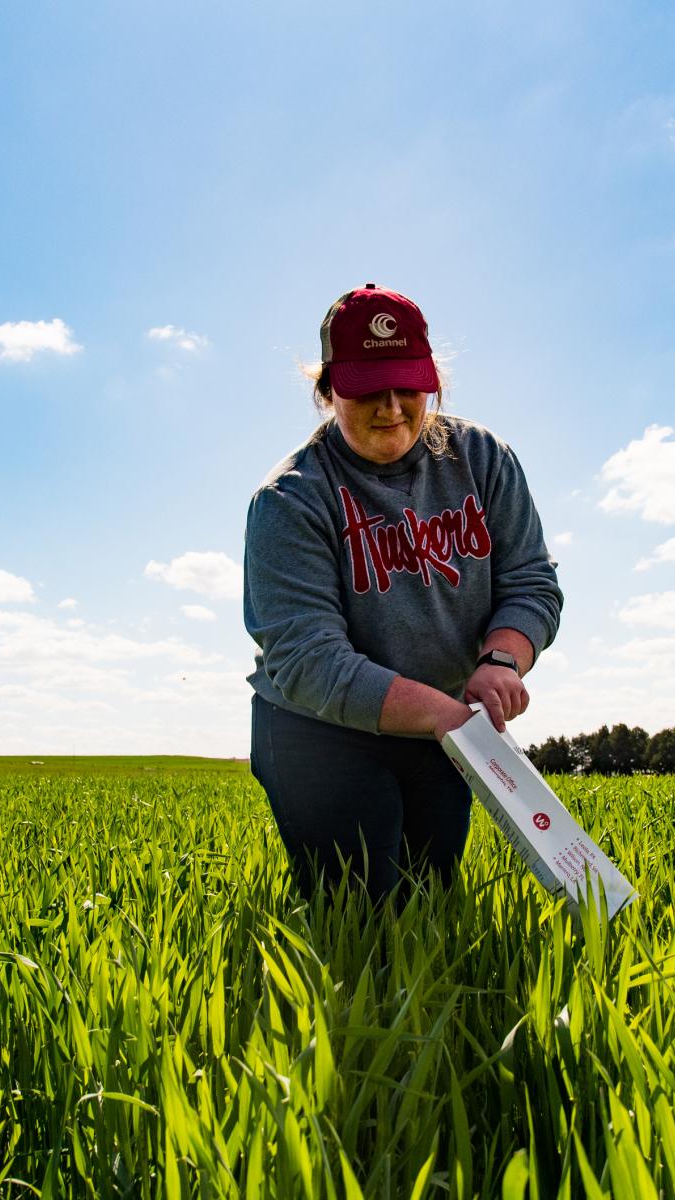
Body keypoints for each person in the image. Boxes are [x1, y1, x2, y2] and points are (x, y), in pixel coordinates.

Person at [242, 284, 563, 902]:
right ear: (329, 388)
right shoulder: (291, 499)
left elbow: (530, 580)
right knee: (358, 908)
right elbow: (309, 659)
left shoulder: (482, 460)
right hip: (319, 730)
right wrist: (450, 719)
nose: (391, 407)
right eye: (367, 389)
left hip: (440, 727)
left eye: (408, 386)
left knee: (432, 899)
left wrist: (500, 661)